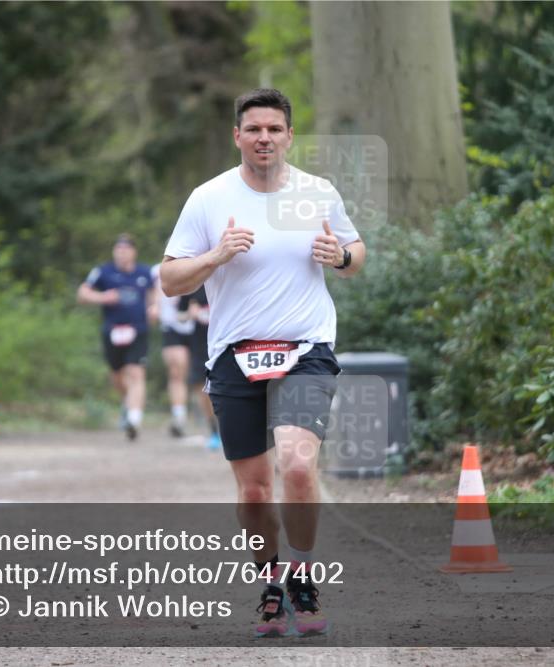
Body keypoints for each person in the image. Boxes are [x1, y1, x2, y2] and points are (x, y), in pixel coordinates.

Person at [160, 88, 365, 637]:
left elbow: (356, 253)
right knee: (253, 492)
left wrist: (340, 257)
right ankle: (270, 584)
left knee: (297, 465)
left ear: (290, 135)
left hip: (306, 348)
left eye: (275, 129)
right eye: (254, 129)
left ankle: (300, 575)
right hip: (234, 354)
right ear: (238, 136)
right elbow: (170, 278)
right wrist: (216, 256)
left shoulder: (317, 192)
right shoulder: (208, 199)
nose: (265, 138)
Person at [77, 234, 155, 440]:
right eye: (117, 249)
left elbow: (154, 294)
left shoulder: (144, 273)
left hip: (138, 329)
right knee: (117, 377)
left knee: (136, 373)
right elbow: (82, 294)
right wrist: (102, 297)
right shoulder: (103, 272)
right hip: (112, 330)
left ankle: (134, 420)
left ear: (134, 252)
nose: (121, 253)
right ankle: (127, 406)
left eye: (125, 249)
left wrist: (154, 308)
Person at [152, 262, 194, 437]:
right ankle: (179, 417)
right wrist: (154, 307)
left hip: (199, 326)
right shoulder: (157, 270)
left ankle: (213, 421)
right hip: (171, 325)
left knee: (202, 375)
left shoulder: (204, 261)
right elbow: (154, 291)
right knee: (177, 371)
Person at [177, 285, 221, 450]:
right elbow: (179, 316)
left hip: (227, 342)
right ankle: (214, 430)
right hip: (200, 344)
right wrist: (189, 313)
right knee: (202, 387)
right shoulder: (194, 281)